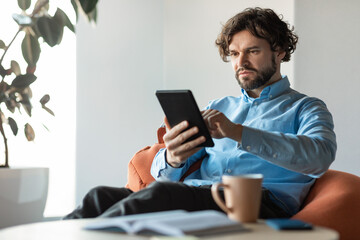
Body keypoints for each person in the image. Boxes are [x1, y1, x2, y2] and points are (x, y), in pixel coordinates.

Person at [64, 7, 336, 220]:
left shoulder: (307, 107)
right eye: (234, 53)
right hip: (194, 193)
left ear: (279, 52)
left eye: (252, 51)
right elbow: (165, 176)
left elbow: (319, 156)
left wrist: (237, 133)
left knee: (163, 195)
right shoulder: (219, 106)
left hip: (257, 204)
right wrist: (172, 158)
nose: (241, 62)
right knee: (99, 197)